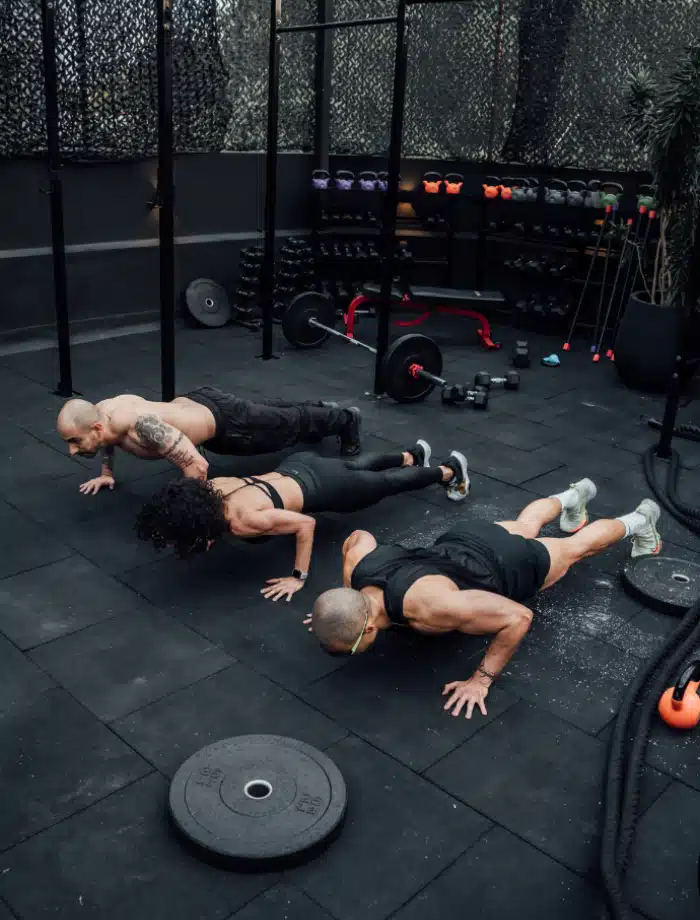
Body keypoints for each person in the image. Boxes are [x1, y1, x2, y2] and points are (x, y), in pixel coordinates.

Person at [308, 479, 663, 719]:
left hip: (508, 564)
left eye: (350, 648)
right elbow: (358, 537)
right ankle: (575, 496)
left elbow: (518, 617)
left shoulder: (432, 610)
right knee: (526, 525)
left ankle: (641, 520)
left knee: (575, 548)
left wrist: (481, 679)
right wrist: (339, 614)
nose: (349, 654)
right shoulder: (359, 569)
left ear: (369, 626)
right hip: (463, 540)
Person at [136, 441, 470, 601]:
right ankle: (411, 455)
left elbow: (304, 525)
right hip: (299, 465)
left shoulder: (243, 522)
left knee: (387, 484)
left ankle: (449, 471)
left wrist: (298, 577)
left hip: (330, 488)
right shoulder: (213, 489)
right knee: (357, 465)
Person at [56, 388, 362, 494]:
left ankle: (347, 419)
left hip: (228, 425)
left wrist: (199, 518)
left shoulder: (140, 426)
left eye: (73, 441)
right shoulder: (105, 415)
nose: (71, 450)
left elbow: (198, 467)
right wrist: (106, 473)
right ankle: (323, 409)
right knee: (273, 414)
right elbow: (105, 440)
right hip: (200, 404)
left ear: (95, 426)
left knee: (286, 428)